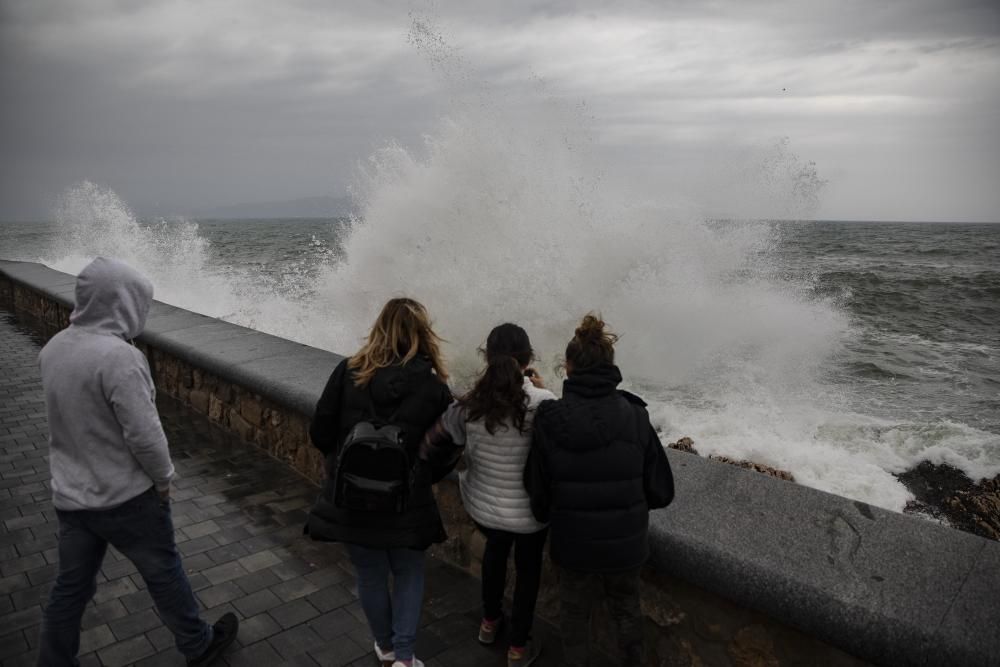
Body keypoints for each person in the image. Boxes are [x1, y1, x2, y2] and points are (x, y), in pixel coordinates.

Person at [36, 257, 238, 667]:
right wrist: (163, 480)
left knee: (70, 589)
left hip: (73, 499)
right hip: (127, 499)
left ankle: (53, 661)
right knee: (164, 574)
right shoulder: (119, 358)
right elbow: (145, 435)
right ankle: (199, 646)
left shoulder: (54, 349)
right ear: (121, 303)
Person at [307, 297, 454, 667]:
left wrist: (338, 460)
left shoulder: (349, 371)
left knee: (370, 574)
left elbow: (320, 430)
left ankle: (385, 648)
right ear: (422, 335)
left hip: (352, 497)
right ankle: (404, 658)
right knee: (408, 573)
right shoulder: (434, 388)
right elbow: (444, 448)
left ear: (379, 330)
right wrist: (421, 477)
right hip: (406, 501)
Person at [524, 313, 674, 666]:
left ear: (568, 367)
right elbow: (661, 490)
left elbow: (538, 492)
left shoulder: (550, 418)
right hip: (626, 545)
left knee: (574, 617)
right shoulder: (636, 415)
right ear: (610, 365)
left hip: (573, 544)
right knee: (626, 611)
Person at [420, 324, 555, 667]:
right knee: (527, 573)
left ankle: (489, 623)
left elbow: (433, 444)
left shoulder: (469, 403)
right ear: (528, 360)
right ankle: (518, 648)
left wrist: (459, 465)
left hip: (485, 508)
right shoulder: (544, 403)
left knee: (495, 555)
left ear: (487, 358)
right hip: (530, 515)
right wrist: (544, 390)